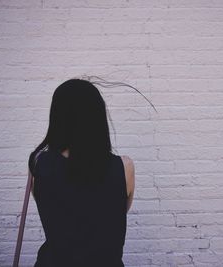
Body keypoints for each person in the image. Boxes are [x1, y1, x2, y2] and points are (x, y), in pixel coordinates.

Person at [28, 78, 135, 267]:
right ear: (97, 117)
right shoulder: (124, 167)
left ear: (57, 117)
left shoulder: (39, 164)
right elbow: (118, 212)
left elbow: (52, 210)